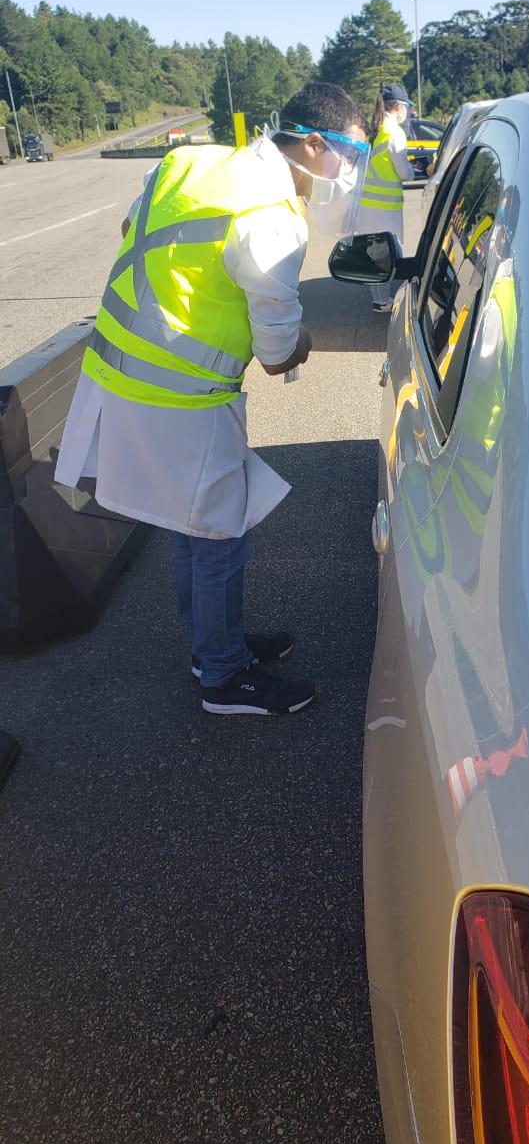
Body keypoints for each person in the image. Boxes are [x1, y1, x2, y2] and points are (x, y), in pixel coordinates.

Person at [54, 82, 369, 717]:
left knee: (190, 521)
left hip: (123, 372)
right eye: (351, 154)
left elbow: (129, 227)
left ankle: (211, 645)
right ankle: (223, 677)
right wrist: (302, 339)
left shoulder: (189, 161)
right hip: (181, 395)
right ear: (315, 143)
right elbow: (279, 352)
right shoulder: (273, 217)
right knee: (221, 531)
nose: (351, 172)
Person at [354, 82, 415, 313]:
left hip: (367, 205)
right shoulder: (394, 133)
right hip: (385, 208)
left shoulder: (374, 129)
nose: (407, 112)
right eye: (406, 107)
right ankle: (382, 302)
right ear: (399, 106)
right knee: (388, 253)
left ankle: (379, 299)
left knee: (374, 253)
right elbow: (403, 172)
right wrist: (414, 170)